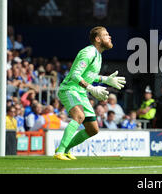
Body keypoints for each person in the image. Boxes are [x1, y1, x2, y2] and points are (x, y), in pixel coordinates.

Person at [54, 26, 126, 160]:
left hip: (80, 91)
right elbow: (75, 75)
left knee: (93, 129)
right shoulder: (88, 53)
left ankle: (65, 149)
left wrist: (106, 79)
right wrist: (91, 88)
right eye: (106, 35)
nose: (110, 37)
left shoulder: (98, 55)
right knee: (79, 116)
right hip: (69, 89)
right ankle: (59, 152)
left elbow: (89, 76)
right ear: (98, 39)